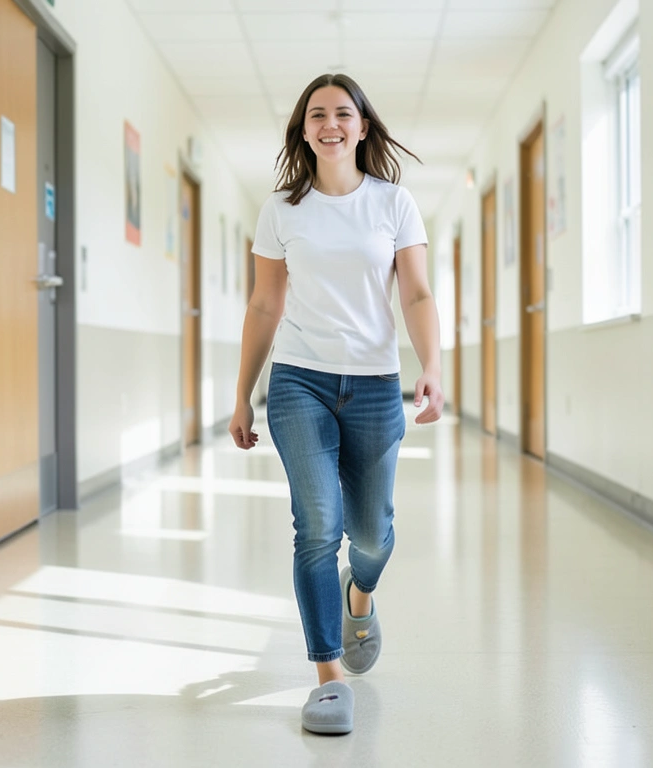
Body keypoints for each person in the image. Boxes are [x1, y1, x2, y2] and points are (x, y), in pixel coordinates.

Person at [228, 73, 444, 735]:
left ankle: (361, 591)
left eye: (343, 113)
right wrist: (242, 394)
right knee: (317, 525)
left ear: (363, 126)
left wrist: (432, 366)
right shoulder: (281, 210)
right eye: (317, 114)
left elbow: (416, 293)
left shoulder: (393, 203)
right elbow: (265, 304)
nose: (331, 124)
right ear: (303, 130)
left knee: (372, 534)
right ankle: (327, 678)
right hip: (300, 382)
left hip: (376, 384)